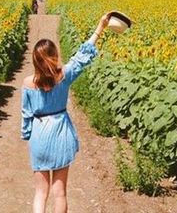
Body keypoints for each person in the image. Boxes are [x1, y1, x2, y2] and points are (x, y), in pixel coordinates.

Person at [20, 12, 112, 213]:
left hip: (40, 137)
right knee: (59, 192)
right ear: (55, 56)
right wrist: (100, 27)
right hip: (61, 134)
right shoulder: (64, 76)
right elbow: (83, 55)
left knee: (40, 192)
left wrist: (29, 135)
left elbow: (26, 115)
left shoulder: (28, 83)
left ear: (35, 61)